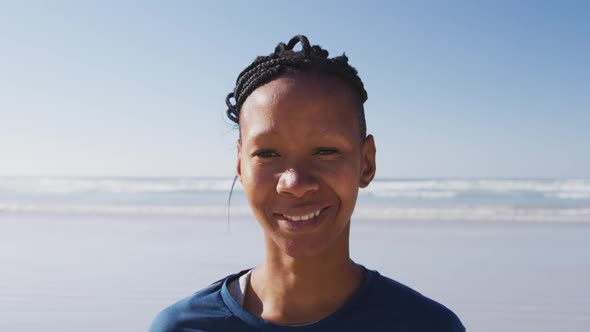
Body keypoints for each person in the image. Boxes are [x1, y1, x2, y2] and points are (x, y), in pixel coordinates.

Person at [149, 35, 465, 332]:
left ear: (366, 163)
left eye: (326, 151)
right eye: (268, 153)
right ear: (240, 165)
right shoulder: (183, 326)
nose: (296, 183)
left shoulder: (426, 325)